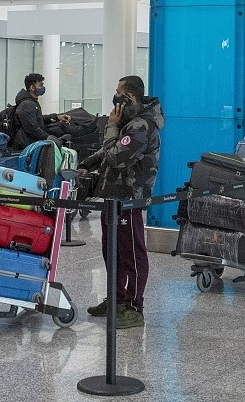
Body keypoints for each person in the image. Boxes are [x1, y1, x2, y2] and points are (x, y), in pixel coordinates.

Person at [80, 76, 163, 329]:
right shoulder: (129, 122)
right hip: (113, 195)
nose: (115, 96)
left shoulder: (141, 125)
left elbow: (117, 157)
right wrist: (87, 164)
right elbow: (109, 151)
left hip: (128, 199)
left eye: (119, 92)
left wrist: (111, 127)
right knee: (112, 252)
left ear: (130, 97)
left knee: (131, 254)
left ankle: (134, 307)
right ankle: (116, 299)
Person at [10, 73, 71, 150]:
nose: (43, 88)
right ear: (32, 87)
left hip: (31, 143)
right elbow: (32, 129)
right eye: (40, 85)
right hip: (28, 146)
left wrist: (56, 117)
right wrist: (49, 138)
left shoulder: (32, 102)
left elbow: (38, 119)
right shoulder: (27, 104)